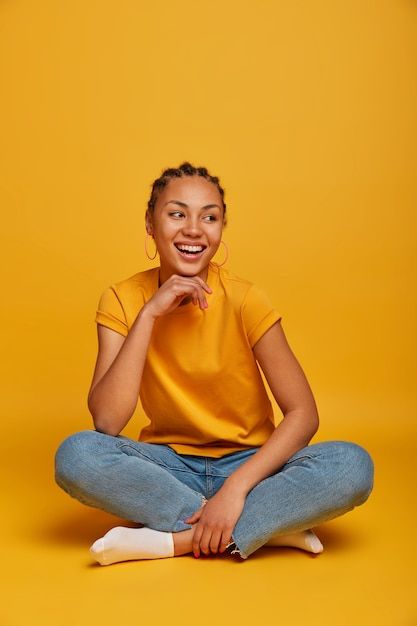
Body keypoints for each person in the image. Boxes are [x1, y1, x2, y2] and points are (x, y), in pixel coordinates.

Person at [54, 161, 374, 566]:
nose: (193, 229)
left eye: (210, 217)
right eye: (177, 214)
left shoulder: (245, 299)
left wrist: (236, 490)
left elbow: (303, 414)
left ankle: (173, 541)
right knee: (76, 455)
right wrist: (149, 315)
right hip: (169, 468)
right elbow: (107, 422)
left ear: (221, 230)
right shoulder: (122, 298)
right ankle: (266, 527)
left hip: (252, 467)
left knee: (352, 465)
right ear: (151, 225)